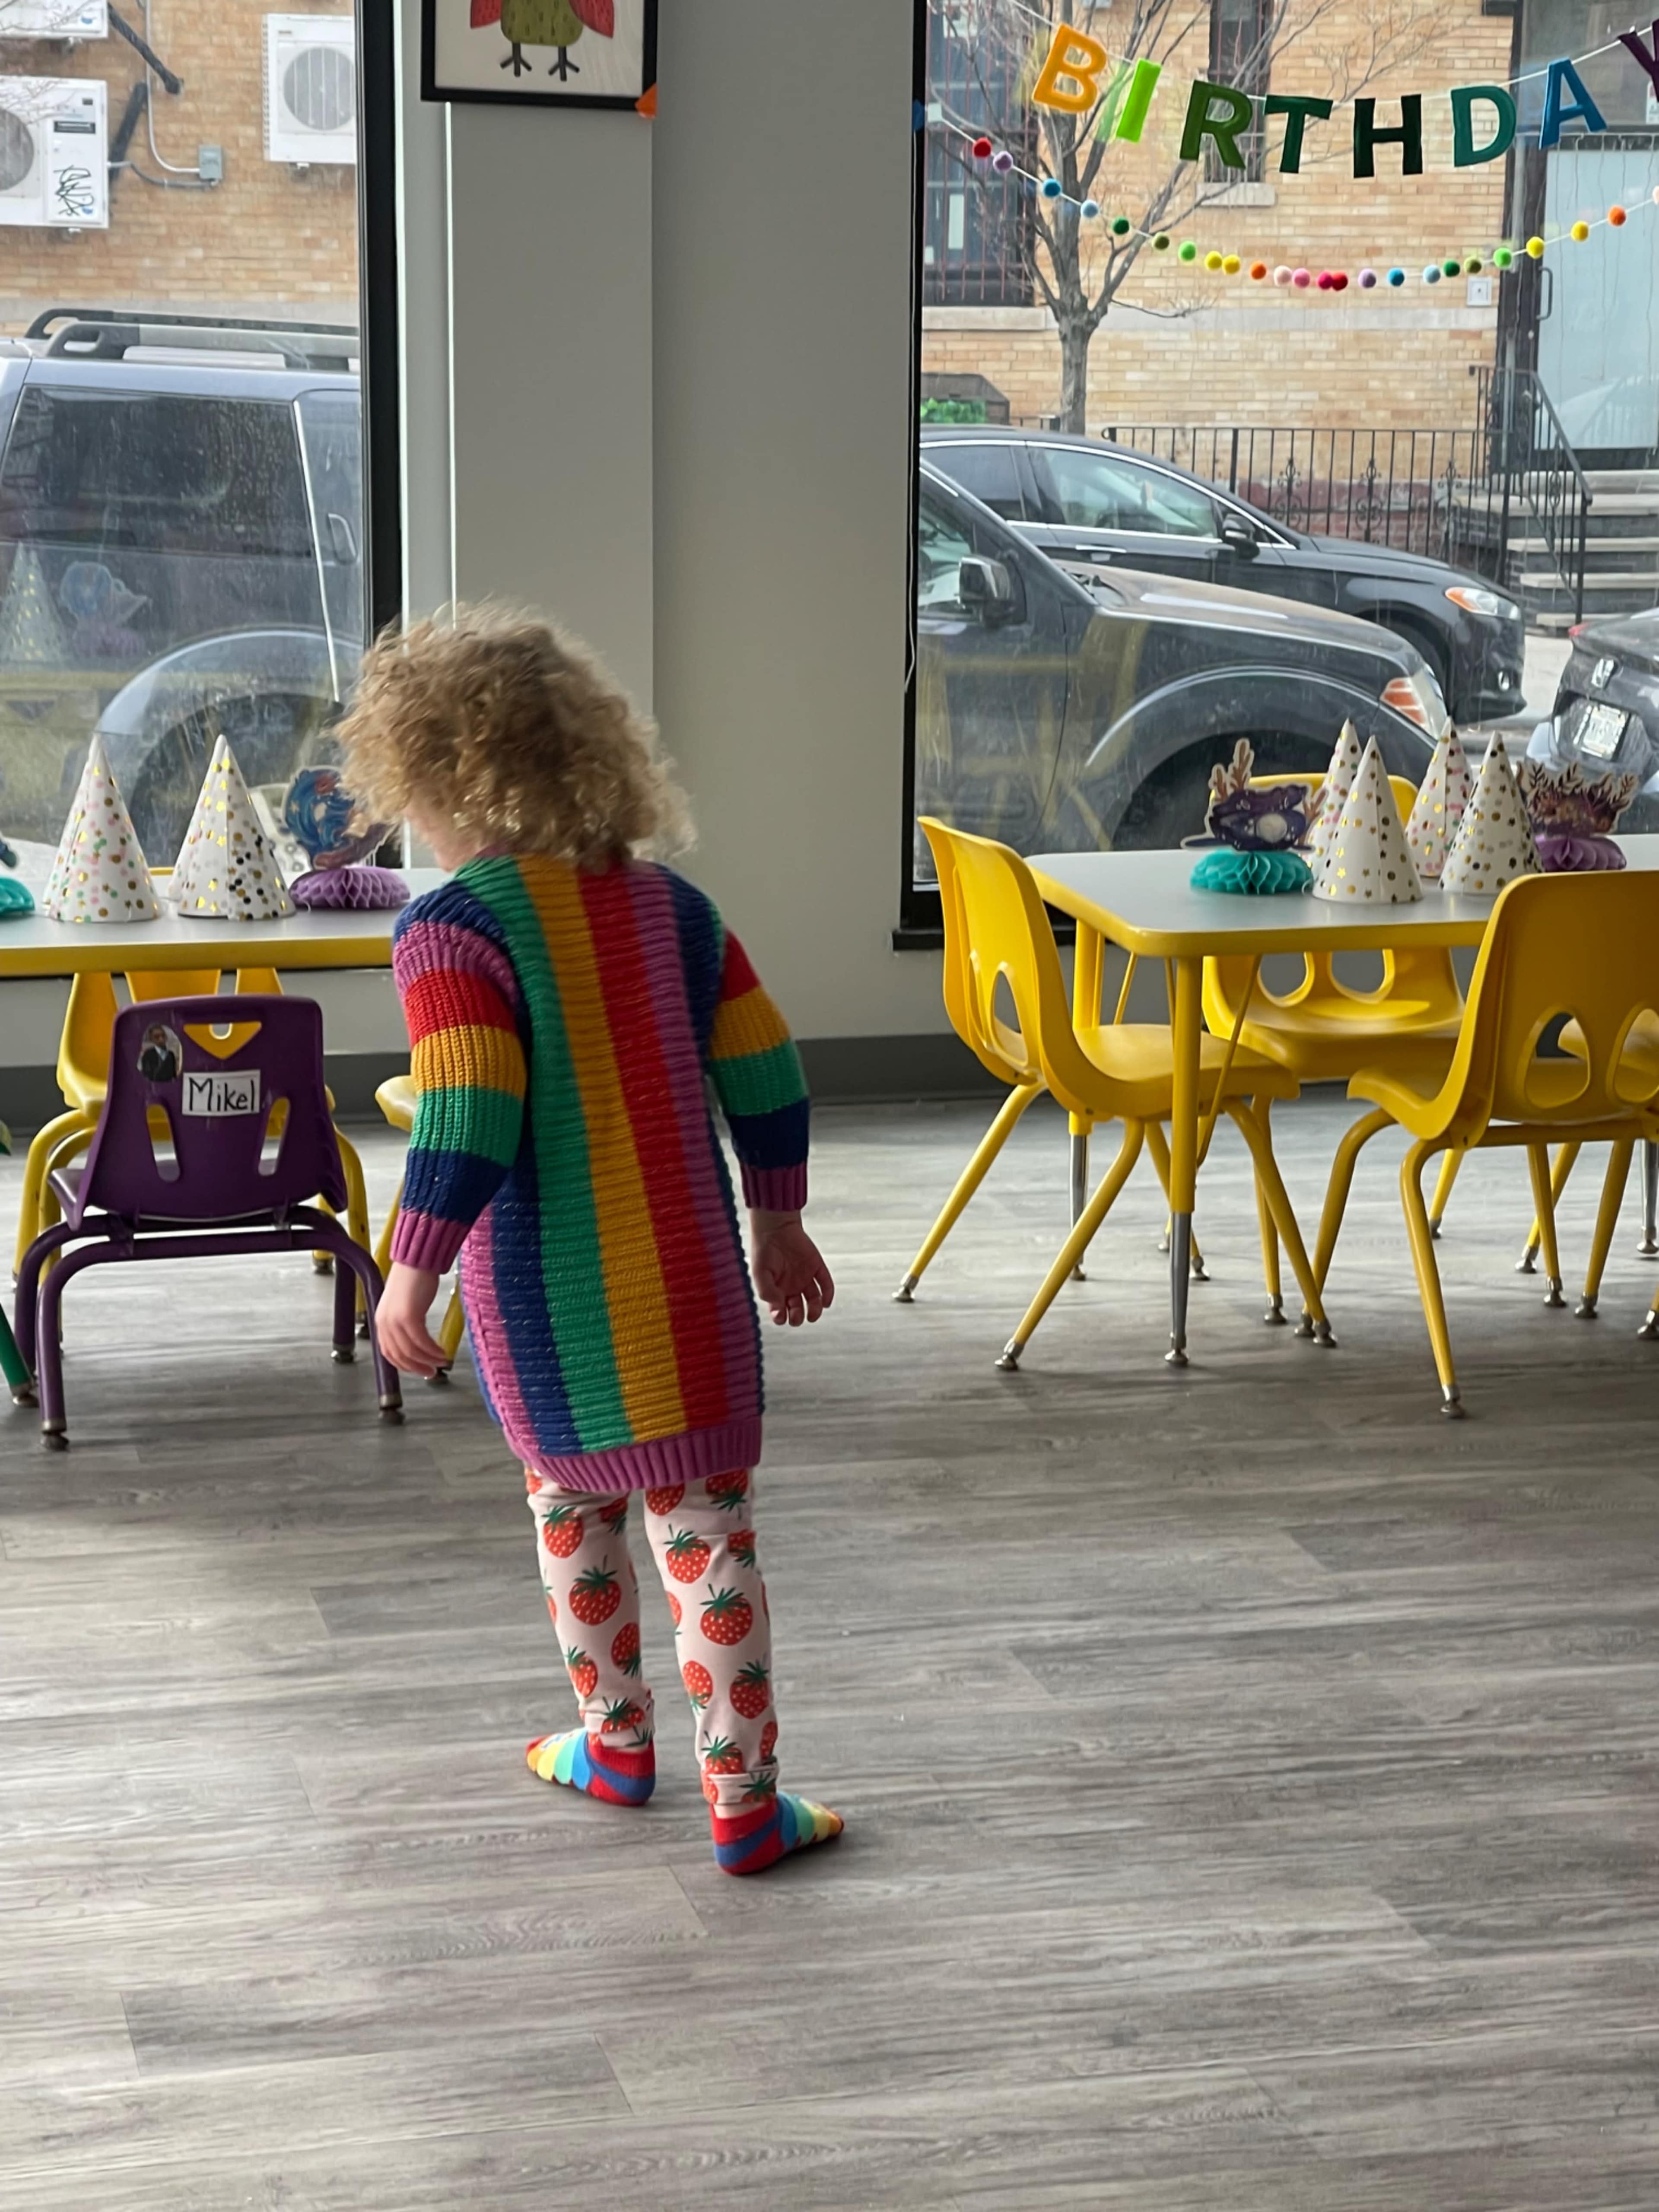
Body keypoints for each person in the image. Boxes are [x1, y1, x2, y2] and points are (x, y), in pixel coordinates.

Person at [339, 606, 841, 1876]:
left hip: (546, 1300)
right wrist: (779, 1222)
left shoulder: (454, 927)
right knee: (708, 1535)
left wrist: (412, 1270)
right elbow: (768, 1072)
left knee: (572, 1512)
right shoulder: (674, 910)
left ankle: (616, 1744)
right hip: (691, 1287)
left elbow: (468, 1107)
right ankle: (747, 1806)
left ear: (437, 780)